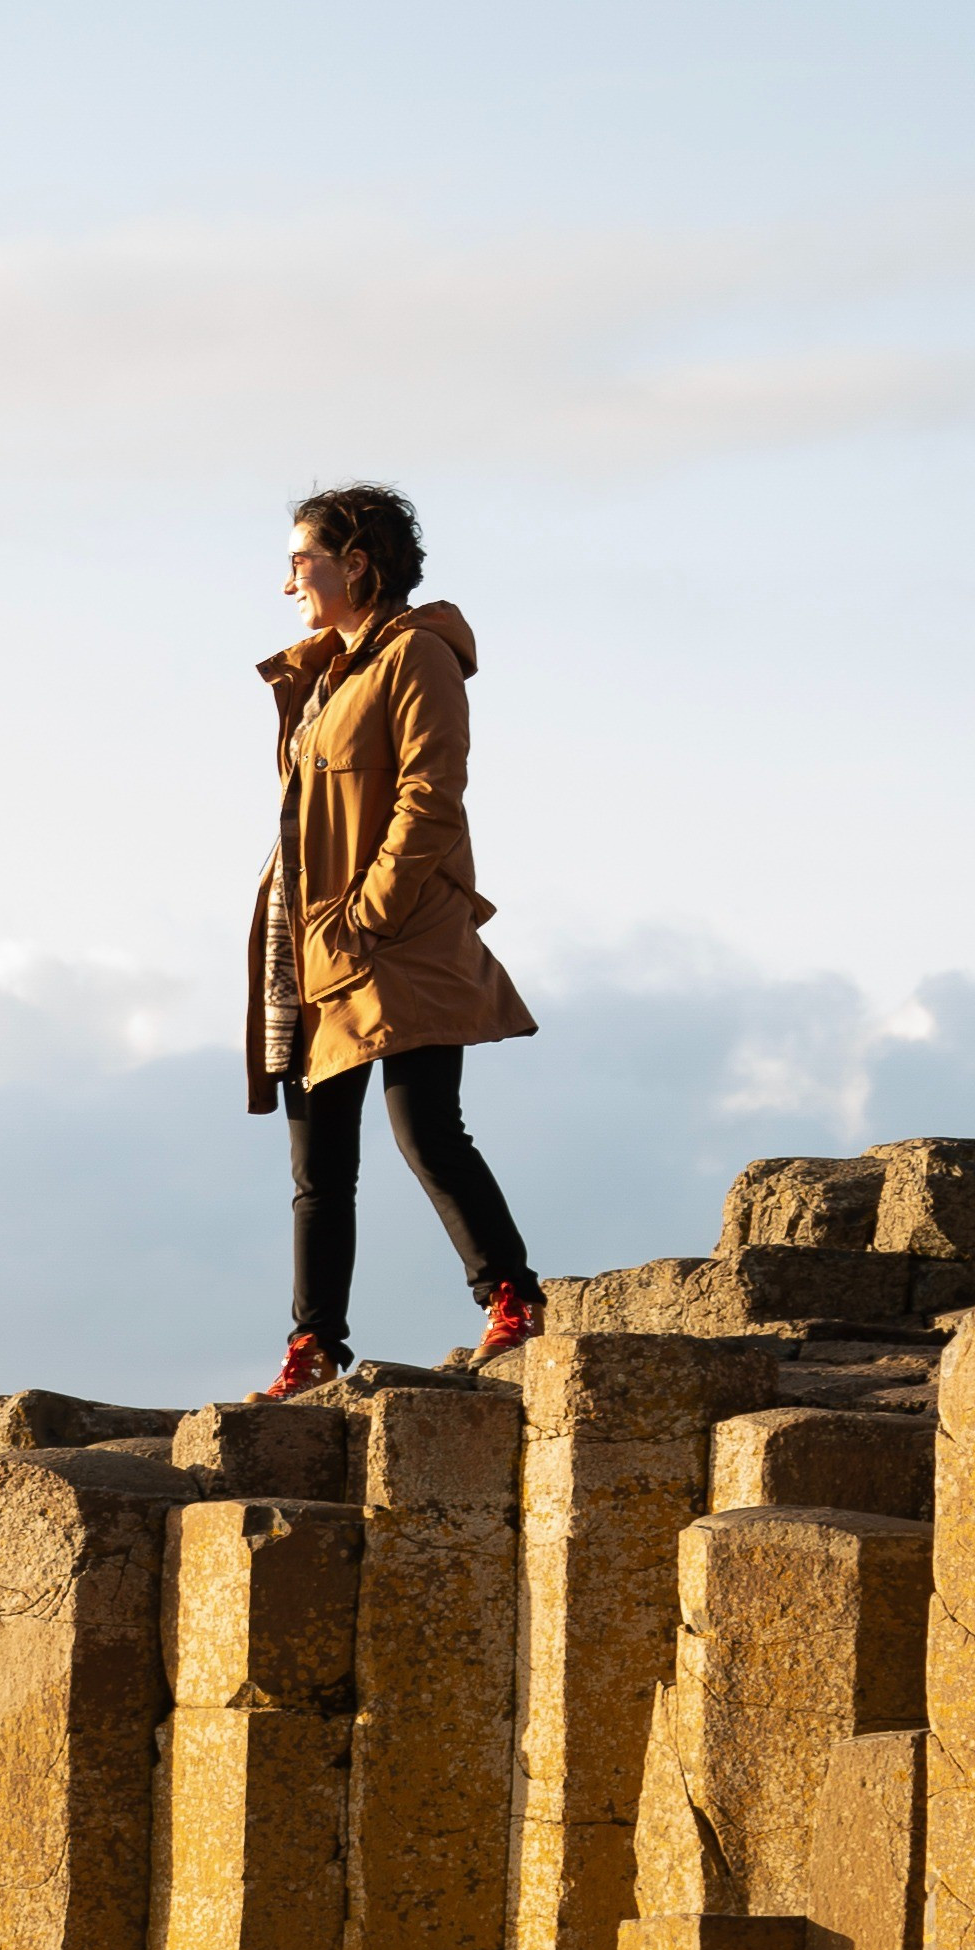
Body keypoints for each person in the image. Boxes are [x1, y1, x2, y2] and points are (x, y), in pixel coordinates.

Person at [247, 481, 543, 1393]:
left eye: (302, 560)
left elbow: (430, 794)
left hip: (400, 932)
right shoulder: (321, 673)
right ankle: (313, 1347)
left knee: (427, 1129)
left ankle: (512, 1300)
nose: (289, 581)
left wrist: (369, 911)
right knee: (317, 1166)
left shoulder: (417, 657)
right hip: (314, 938)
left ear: (357, 564)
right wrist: (319, 925)